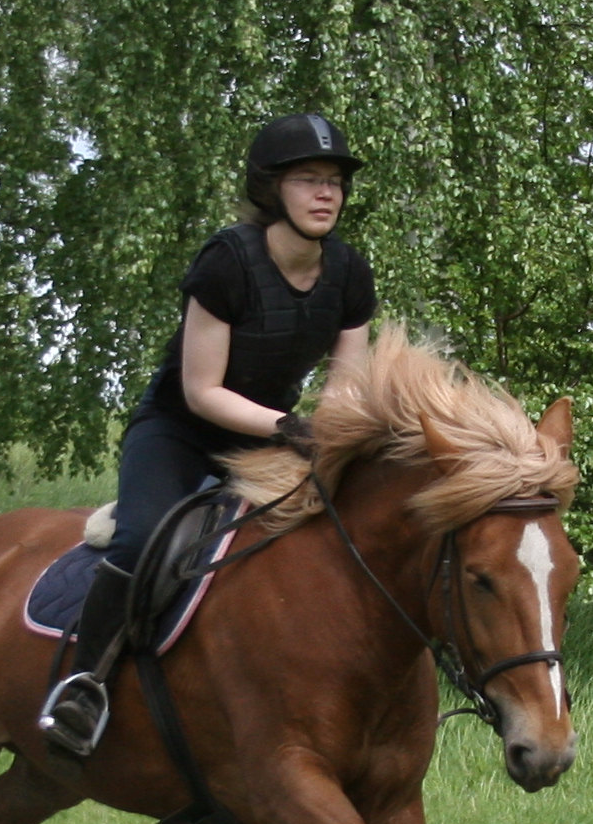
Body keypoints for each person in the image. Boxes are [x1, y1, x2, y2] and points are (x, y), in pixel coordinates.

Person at [37, 113, 376, 757]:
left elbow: (345, 389)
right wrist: (289, 427)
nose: (325, 193)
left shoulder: (350, 273)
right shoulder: (227, 261)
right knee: (141, 537)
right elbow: (202, 391)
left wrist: (332, 439)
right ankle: (84, 687)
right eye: (308, 179)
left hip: (270, 437)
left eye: (334, 181)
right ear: (270, 189)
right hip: (179, 432)